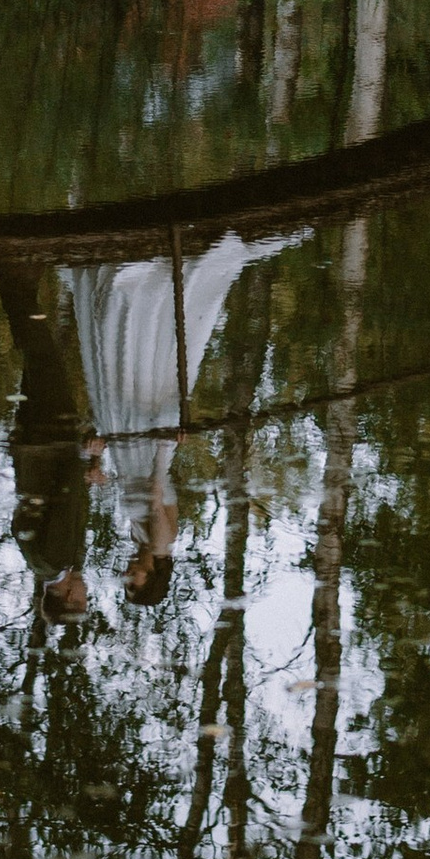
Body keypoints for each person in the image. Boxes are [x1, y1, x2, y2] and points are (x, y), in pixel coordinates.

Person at [65, 229, 299, 610]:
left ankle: (125, 278)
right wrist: (162, 445)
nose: (128, 575)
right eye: (134, 582)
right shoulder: (159, 542)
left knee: (117, 379)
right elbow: (156, 490)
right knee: (132, 372)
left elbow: (139, 492)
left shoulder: (142, 540)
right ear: (152, 575)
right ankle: (140, 285)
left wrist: (96, 464)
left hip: (131, 455)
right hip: (146, 451)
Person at [0, 264, 90, 625]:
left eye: (82, 599)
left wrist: (83, 458)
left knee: (44, 355)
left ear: (68, 597)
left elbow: (65, 500)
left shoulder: (54, 558)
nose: (86, 592)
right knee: (36, 360)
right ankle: (18, 285)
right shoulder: (40, 562)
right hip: (32, 447)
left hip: (52, 442)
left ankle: (15, 281)